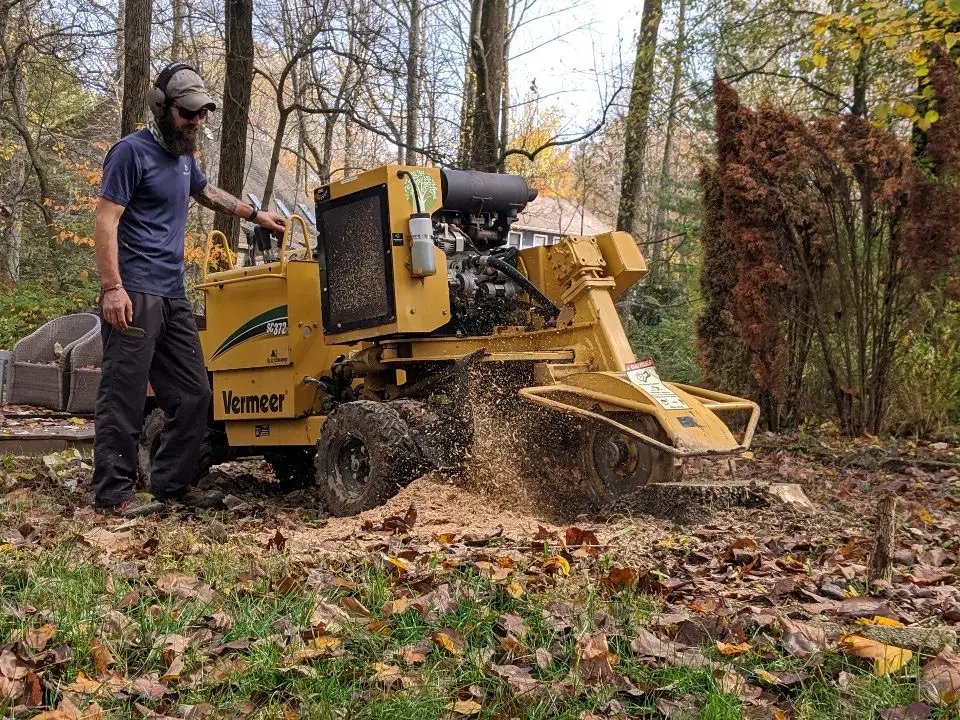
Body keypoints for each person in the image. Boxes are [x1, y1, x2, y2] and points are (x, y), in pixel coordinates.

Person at [92, 62, 286, 517]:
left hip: (172, 293)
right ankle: (113, 495)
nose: (196, 121)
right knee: (123, 395)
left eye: (201, 113)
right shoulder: (130, 153)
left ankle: (171, 485)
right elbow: (105, 220)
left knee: (194, 394)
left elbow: (206, 192)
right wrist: (113, 287)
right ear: (163, 108)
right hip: (134, 291)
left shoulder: (182, 156)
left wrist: (254, 214)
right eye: (188, 113)